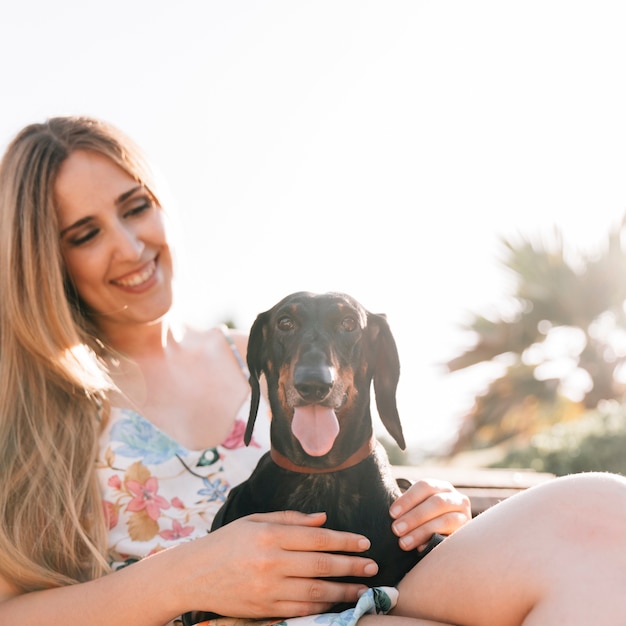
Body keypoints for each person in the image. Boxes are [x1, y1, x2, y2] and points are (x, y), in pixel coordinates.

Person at [0, 117, 625, 626]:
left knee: (601, 515)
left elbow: (370, 495)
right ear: (44, 260)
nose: (130, 247)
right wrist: (184, 576)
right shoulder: (37, 402)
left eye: (135, 207)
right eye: (84, 234)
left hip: (370, 596)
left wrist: (431, 522)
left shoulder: (276, 354)